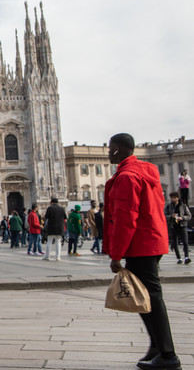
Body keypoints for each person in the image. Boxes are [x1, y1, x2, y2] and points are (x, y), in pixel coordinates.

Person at [105, 134, 180, 369]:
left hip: (140, 244)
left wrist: (116, 254)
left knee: (151, 299)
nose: (108, 153)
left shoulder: (128, 177)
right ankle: (157, 347)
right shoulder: (144, 172)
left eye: (110, 149)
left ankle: (168, 356)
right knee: (145, 297)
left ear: (118, 150)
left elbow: (126, 218)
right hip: (150, 242)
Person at [164, 192, 191, 264]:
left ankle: (186, 257)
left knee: (185, 241)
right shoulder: (168, 206)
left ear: (177, 198)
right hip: (173, 226)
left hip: (182, 225)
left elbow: (189, 215)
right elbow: (164, 216)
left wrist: (182, 218)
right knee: (175, 242)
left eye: (174, 198)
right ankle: (179, 258)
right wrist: (171, 216)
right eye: (171, 198)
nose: (173, 199)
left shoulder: (183, 206)